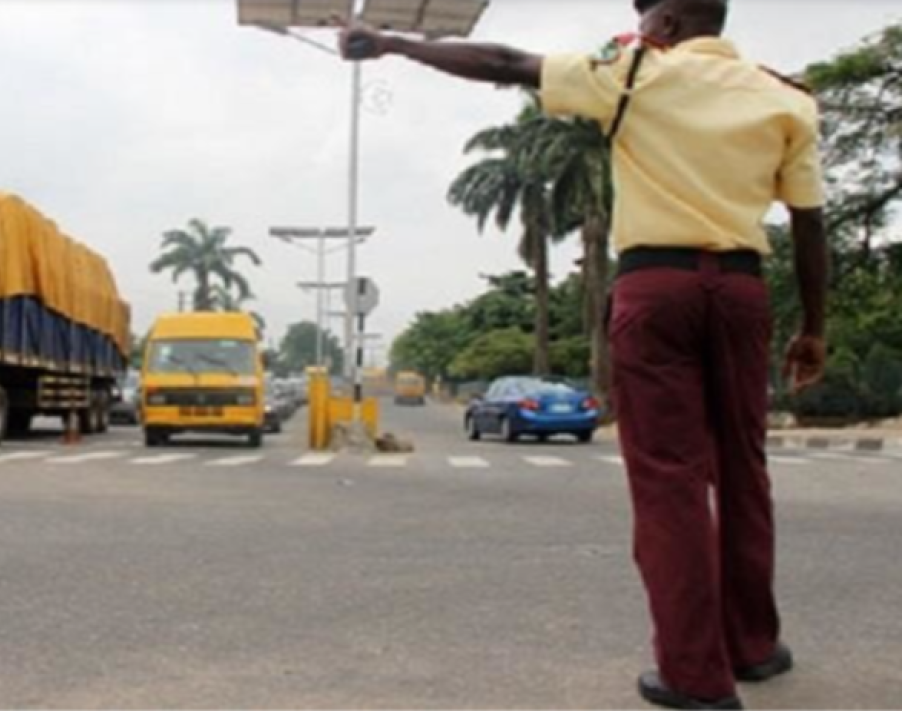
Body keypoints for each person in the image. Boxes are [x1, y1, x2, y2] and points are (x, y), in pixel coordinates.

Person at [338, 1, 828, 709]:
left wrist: (391, 43)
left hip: (656, 287)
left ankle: (695, 674)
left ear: (670, 20)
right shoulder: (785, 97)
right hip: (744, 292)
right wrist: (813, 327)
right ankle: (753, 646)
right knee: (744, 468)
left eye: (647, 11)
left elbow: (508, 65)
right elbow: (809, 222)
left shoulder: (633, 77)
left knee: (669, 480)